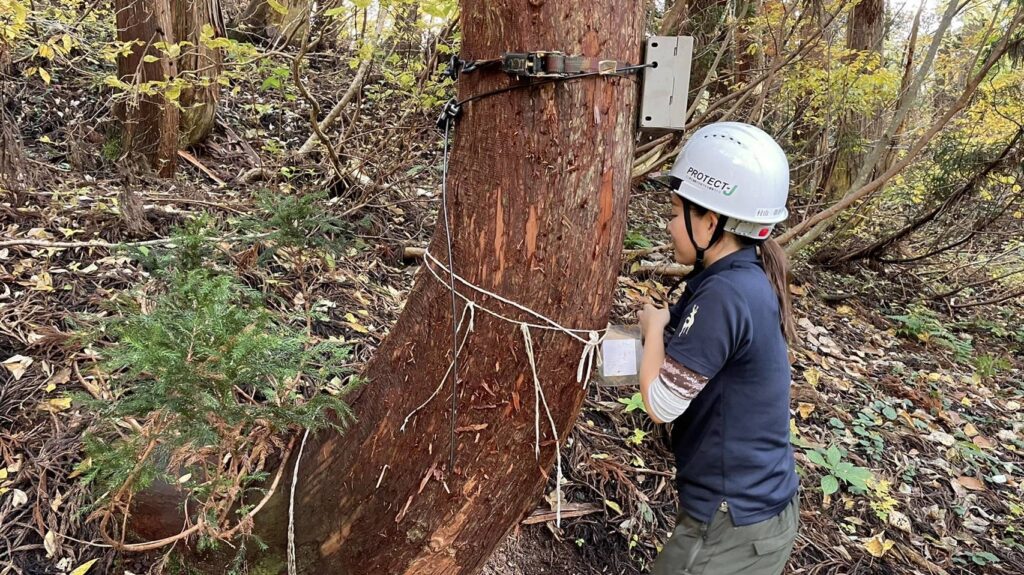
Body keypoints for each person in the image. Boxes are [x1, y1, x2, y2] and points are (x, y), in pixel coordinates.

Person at [637, 122, 800, 575]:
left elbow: (661, 403)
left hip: (732, 526)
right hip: (756, 513)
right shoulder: (744, 276)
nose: (669, 225)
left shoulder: (725, 295)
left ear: (710, 222)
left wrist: (653, 328)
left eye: (675, 212)